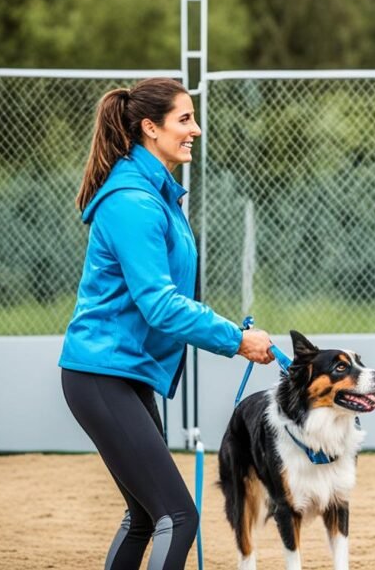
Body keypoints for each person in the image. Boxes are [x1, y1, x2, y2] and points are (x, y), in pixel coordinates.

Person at [58, 77, 274, 570]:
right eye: (184, 119)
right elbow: (160, 304)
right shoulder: (132, 201)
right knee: (178, 515)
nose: (195, 129)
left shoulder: (156, 194)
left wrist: (231, 337)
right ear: (150, 128)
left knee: (145, 515)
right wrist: (235, 340)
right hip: (100, 376)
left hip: (123, 374)